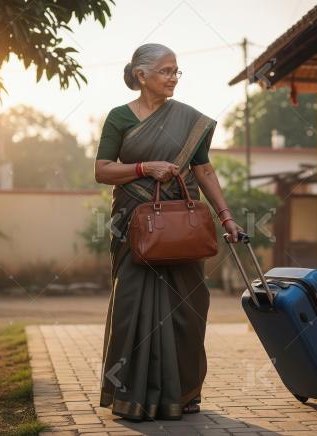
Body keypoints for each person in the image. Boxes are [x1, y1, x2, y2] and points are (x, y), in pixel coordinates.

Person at [93, 43, 243, 421]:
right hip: (135, 227)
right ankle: (133, 396)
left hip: (183, 226)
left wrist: (227, 219)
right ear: (141, 76)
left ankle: (185, 393)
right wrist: (144, 168)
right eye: (165, 71)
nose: (173, 77)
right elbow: (103, 170)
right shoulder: (119, 119)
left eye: (177, 71)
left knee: (188, 310)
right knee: (132, 309)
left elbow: (205, 171)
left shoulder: (189, 119)